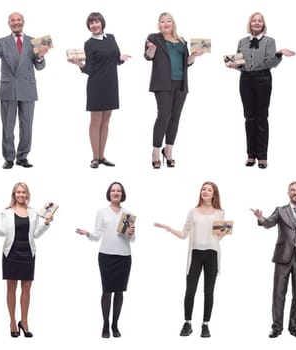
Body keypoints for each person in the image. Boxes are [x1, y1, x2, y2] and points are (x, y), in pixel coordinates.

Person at [153, 182, 229, 338]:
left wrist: (225, 232)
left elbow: (218, 238)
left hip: (212, 254)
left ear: (214, 194)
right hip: (195, 254)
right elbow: (183, 234)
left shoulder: (220, 213)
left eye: (209, 190)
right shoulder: (193, 212)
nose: (205, 191)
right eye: (203, 189)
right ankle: (187, 323)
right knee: (190, 290)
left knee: (209, 291)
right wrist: (167, 228)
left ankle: (205, 325)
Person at [0, 12, 48, 169]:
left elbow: (39, 67)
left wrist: (41, 57)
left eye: (18, 20)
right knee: (7, 125)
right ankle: (9, 158)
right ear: (8, 23)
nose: (16, 22)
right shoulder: (2, 41)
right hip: (9, 88)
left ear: (23, 22)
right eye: (13, 20)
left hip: (28, 88)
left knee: (27, 125)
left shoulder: (34, 41)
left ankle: (22, 157)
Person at [0, 182, 52, 337]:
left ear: (27, 194)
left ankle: (24, 322)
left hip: (28, 253)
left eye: (23, 192)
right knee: (11, 288)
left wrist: (46, 224)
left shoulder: (33, 212)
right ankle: (13, 321)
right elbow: (4, 232)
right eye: (18, 192)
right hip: (11, 253)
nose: (21, 195)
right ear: (14, 194)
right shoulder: (6, 212)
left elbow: (36, 234)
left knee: (26, 288)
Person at [252, 181, 296, 338]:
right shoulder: (281, 210)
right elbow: (269, 223)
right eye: (293, 190)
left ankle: (294, 326)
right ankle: (277, 327)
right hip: (283, 257)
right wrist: (261, 218)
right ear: (288, 192)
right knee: (278, 293)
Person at [228, 12, 296, 169]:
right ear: (250, 24)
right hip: (245, 79)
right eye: (254, 21)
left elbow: (270, 63)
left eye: (260, 21)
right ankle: (251, 154)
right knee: (249, 118)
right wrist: (234, 65)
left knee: (261, 118)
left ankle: (262, 156)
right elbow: (241, 64)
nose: (257, 23)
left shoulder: (269, 41)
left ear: (263, 24)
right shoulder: (242, 42)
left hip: (263, 79)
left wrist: (279, 54)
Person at [69, 12, 131, 168]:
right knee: (95, 120)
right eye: (91, 23)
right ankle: (95, 158)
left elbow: (115, 59)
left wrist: (121, 59)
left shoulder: (111, 38)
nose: (94, 25)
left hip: (111, 84)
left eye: (96, 22)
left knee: (106, 120)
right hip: (96, 84)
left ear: (102, 23)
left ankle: (102, 156)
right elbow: (89, 68)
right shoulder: (89, 44)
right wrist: (79, 64)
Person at [74, 182, 135, 338]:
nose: (116, 193)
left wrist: (130, 233)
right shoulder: (102, 212)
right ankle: (105, 324)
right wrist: (88, 233)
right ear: (109, 193)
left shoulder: (127, 214)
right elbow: (97, 235)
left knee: (120, 291)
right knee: (107, 291)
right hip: (106, 256)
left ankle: (115, 324)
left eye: (119, 191)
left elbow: (132, 239)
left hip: (124, 256)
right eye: (113, 190)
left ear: (122, 194)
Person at [145, 12, 203, 169]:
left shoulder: (181, 40)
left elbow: (187, 62)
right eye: (162, 21)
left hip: (181, 84)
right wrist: (151, 50)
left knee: (175, 117)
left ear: (173, 23)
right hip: (163, 84)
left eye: (168, 21)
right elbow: (148, 56)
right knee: (164, 116)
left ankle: (168, 151)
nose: (165, 23)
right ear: (159, 24)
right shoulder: (154, 38)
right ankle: (156, 151)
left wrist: (195, 56)